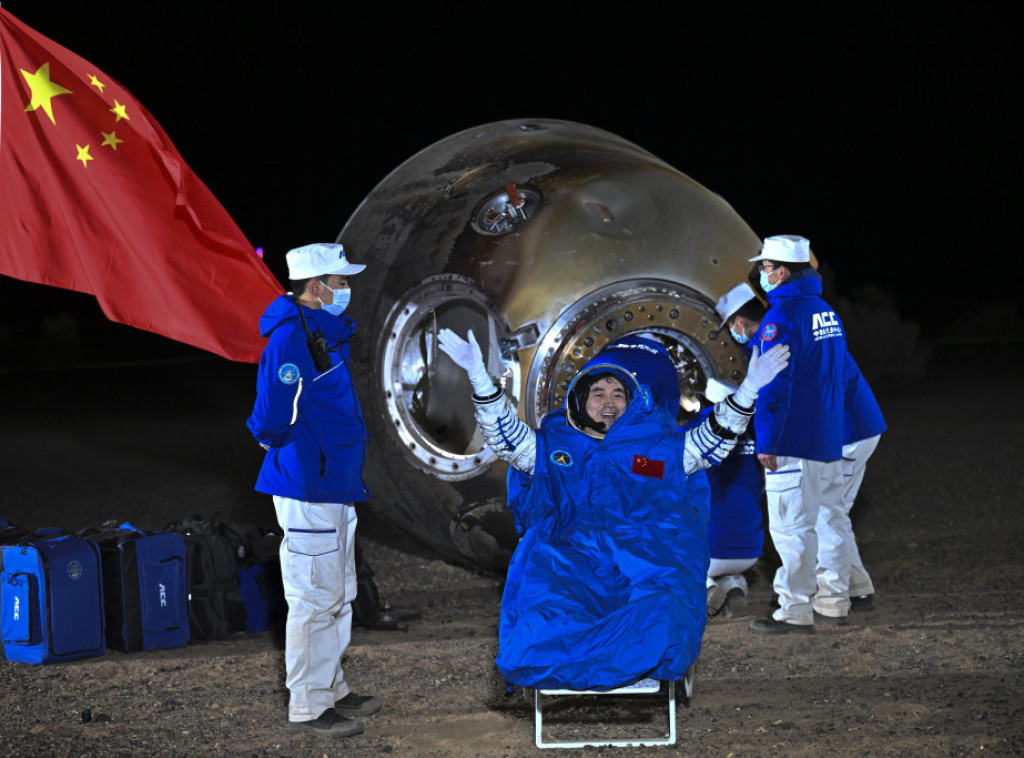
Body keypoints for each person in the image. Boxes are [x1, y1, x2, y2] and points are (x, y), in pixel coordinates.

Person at [437, 330, 790, 690]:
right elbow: (505, 437)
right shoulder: (555, 446)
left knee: (664, 613)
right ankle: (618, 663)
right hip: (569, 560)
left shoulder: (655, 448)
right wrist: (479, 376)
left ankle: (609, 662)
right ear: (580, 398)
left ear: (632, 401)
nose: (609, 402)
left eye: (619, 394)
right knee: (538, 615)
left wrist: (749, 389)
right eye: (599, 393)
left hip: (643, 562)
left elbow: (711, 442)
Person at [246, 242, 381, 737]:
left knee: (337, 592)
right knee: (312, 597)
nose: (347, 289)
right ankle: (306, 705)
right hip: (310, 485)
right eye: (341, 281)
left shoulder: (321, 332)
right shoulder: (291, 340)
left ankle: (331, 690)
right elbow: (269, 419)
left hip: (333, 484)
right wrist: (295, 452)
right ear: (315, 286)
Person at [745, 234, 849, 635]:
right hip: (826, 435)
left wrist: (768, 440)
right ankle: (834, 602)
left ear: (783, 271)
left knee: (791, 527)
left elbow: (773, 384)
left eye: (766, 268)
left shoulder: (781, 318)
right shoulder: (826, 311)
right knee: (830, 520)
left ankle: (795, 610)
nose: (763, 274)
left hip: (793, 439)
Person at [697, 379, 763, 620]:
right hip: (751, 549)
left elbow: (658, 464)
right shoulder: (758, 431)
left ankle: (705, 590)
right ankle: (734, 590)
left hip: (713, 550)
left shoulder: (699, 429)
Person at [831, 351, 886, 611]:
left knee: (824, 514)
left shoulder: (782, 329)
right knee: (834, 512)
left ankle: (830, 597)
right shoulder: (807, 319)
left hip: (848, 432)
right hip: (860, 425)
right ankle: (858, 588)